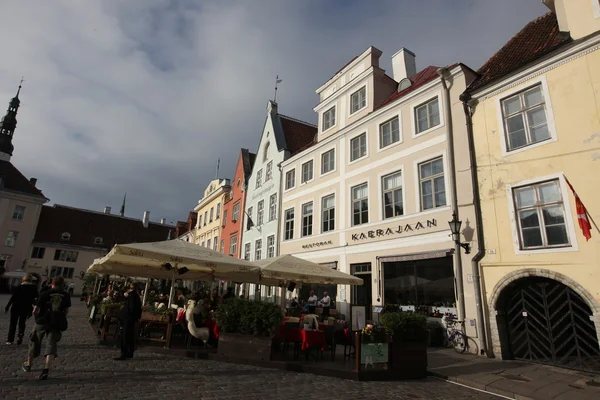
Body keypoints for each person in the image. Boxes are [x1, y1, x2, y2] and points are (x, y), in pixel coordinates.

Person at [22, 276, 71, 380]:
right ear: (62, 284)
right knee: (51, 344)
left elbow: (35, 310)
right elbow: (66, 311)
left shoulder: (45, 293)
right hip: (56, 322)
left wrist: (37, 319)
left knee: (34, 340)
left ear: (52, 283)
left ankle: (29, 364)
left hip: (43, 320)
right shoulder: (66, 295)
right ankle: (46, 369)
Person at [5, 274, 39, 345]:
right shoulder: (33, 287)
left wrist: (7, 307)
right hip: (26, 307)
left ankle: (10, 340)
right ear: (31, 280)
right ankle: (20, 334)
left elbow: (13, 298)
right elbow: (36, 298)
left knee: (13, 323)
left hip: (16, 307)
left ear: (23, 279)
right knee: (22, 322)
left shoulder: (18, 287)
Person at [114, 283, 142, 361]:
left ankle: (124, 354)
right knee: (130, 336)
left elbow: (131, 308)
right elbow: (138, 309)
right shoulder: (136, 296)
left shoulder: (131, 296)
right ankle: (130, 352)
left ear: (130, 288)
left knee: (125, 336)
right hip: (132, 319)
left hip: (128, 318)